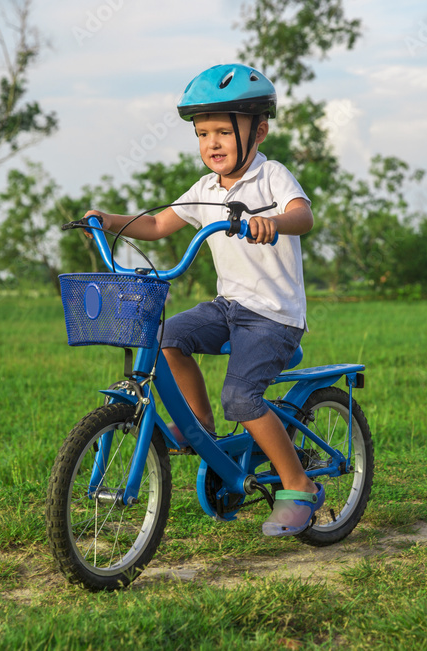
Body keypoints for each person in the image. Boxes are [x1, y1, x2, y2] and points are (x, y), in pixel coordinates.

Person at [84, 63, 323, 537]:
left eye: (222, 131)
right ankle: (199, 427)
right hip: (229, 307)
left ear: (258, 130)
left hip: (272, 317)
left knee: (242, 395)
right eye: (202, 134)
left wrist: (273, 222)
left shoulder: (270, 175)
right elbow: (155, 225)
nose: (211, 143)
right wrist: (107, 219)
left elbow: (304, 216)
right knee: (167, 335)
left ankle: (299, 486)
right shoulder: (206, 190)